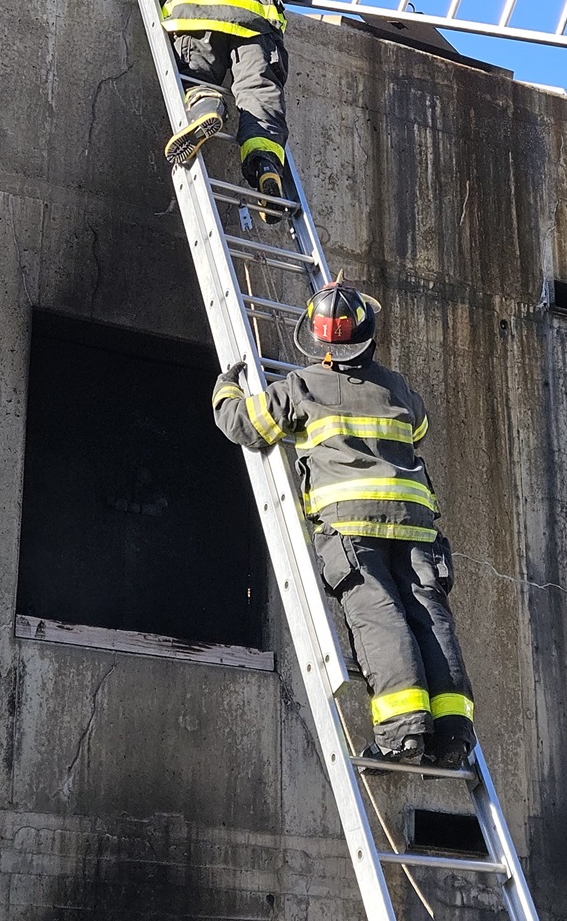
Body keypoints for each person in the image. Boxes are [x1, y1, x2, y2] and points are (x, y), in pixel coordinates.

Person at [211, 279, 476, 769]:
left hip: (352, 527)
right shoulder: (397, 386)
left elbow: (245, 424)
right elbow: (418, 427)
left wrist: (226, 387)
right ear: (369, 335)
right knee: (430, 618)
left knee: (379, 616)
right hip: (415, 525)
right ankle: (453, 734)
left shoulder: (302, 387)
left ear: (319, 345)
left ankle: (404, 732)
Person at [161, 0, 298, 223]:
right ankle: (265, 164)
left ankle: (207, 106)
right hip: (253, 29)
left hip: (195, 23)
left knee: (196, 78)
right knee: (258, 93)